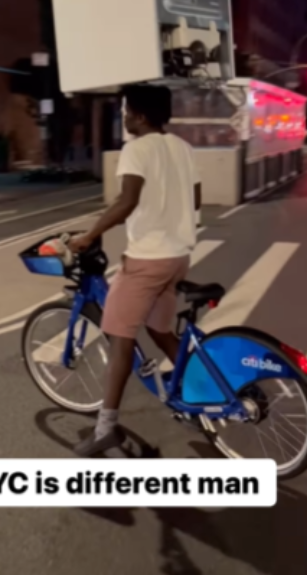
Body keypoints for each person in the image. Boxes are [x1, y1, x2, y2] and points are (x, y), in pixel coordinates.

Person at [66, 84, 201, 457]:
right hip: (178, 257)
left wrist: (90, 234)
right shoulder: (183, 148)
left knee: (119, 338)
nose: (124, 117)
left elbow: (127, 201)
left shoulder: (136, 149)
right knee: (160, 330)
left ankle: (106, 429)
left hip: (148, 260)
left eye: (127, 111)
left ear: (140, 116)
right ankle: (200, 392)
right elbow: (196, 200)